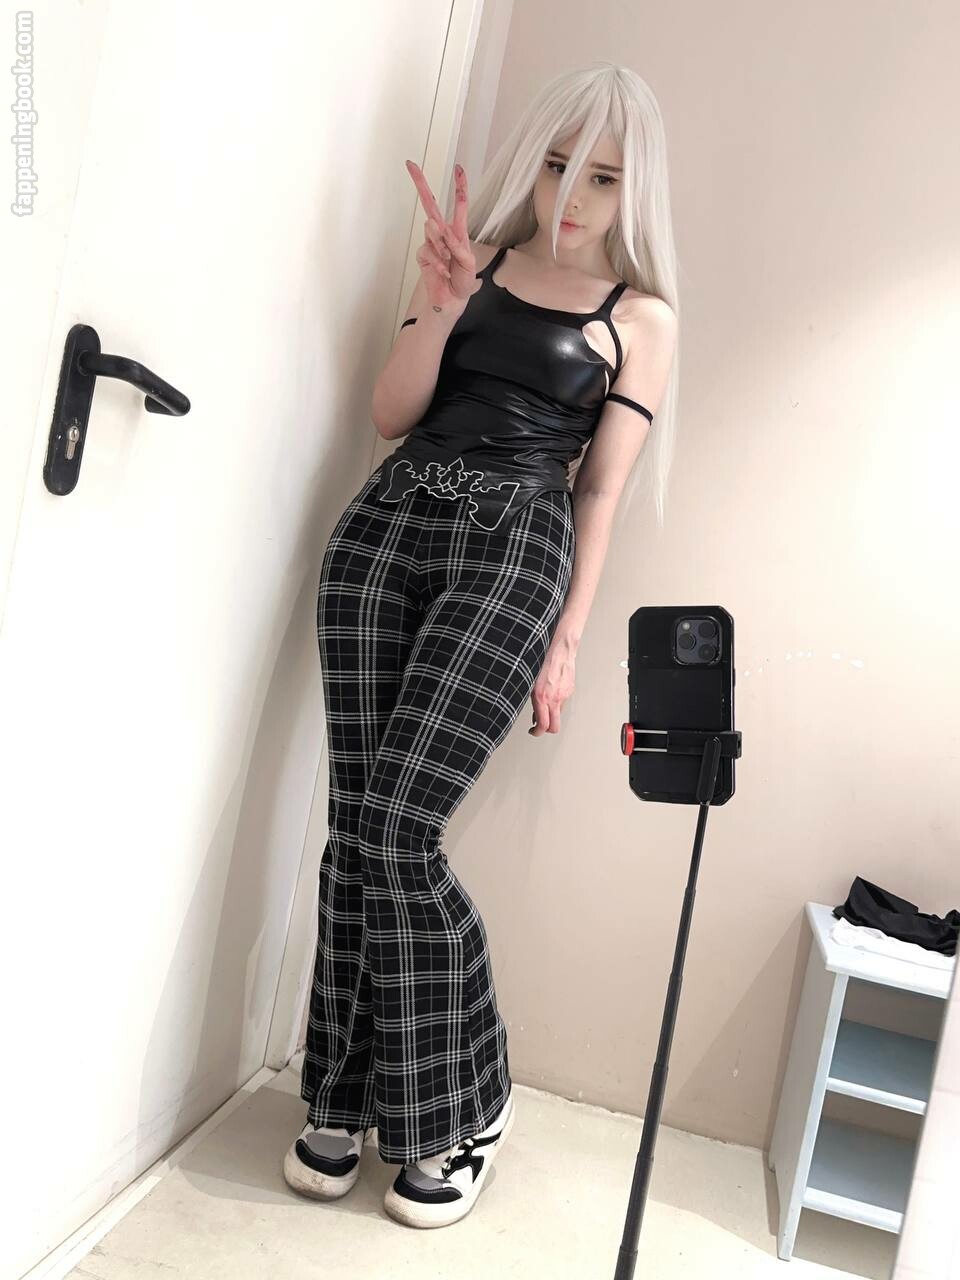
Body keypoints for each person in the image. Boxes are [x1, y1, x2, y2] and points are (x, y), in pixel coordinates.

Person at [283, 61, 679, 1230]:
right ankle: (341, 1095)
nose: (573, 196)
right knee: (358, 824)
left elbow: (598, 492)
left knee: (401, 829)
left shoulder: (641, 319)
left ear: (635, 190)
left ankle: (463, 1099)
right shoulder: (479, 262)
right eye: (559, 165)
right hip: (385, 529)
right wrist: (442, 301)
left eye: (602, 177)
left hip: (516, 550)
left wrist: (568, 641)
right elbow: (390, 412)